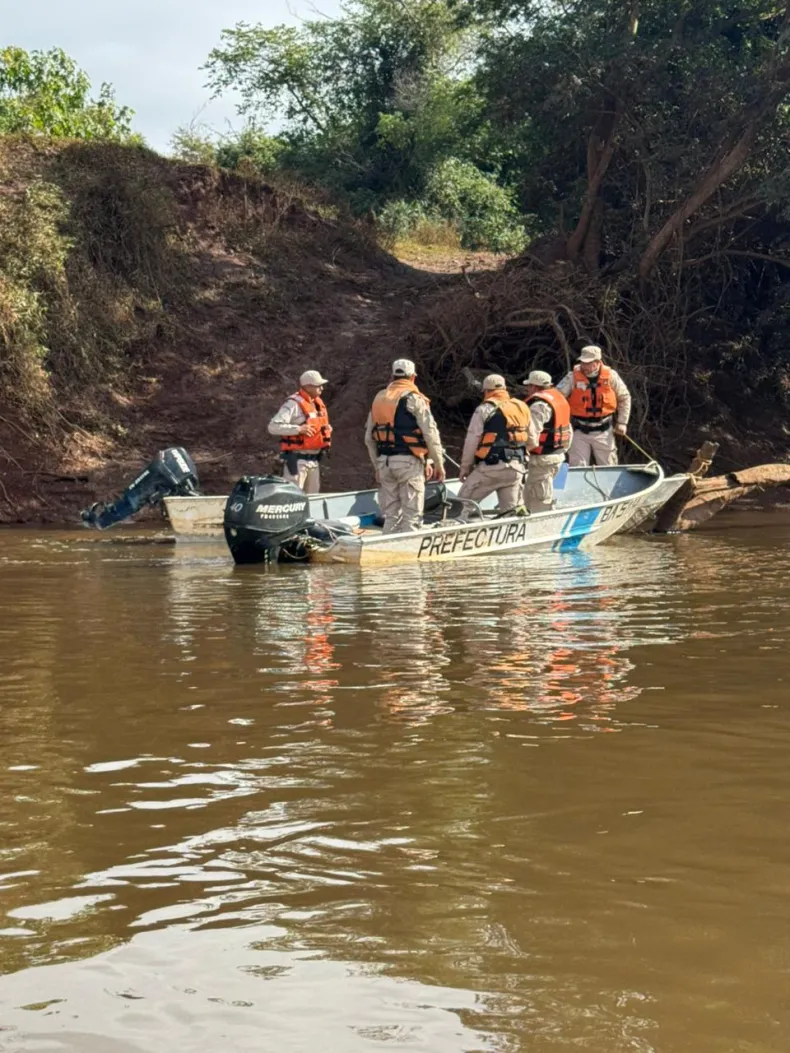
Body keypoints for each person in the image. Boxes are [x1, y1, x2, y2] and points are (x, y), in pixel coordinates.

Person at [364, 359, 445, 533]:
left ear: (392, 376)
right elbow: (430, 434)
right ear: (413, 378)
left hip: (385, 463)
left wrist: (377, 465)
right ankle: (408, 557)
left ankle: (387, 553)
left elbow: (368, 439)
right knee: (412, 516)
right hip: (409, 463)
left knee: (391, 516)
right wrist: (437, 463)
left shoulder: (379, 398)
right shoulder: (415, 399)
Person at [457, 374, 531, 514]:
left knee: (461, 506)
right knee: (510, 513)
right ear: (504, 389)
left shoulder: (484, 409)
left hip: (491, 469)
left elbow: (471, 441)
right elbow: (532, 440)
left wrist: (465, 468)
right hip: (516, 470)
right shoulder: (522, 407)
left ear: (486, 391)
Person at [556, 345, 631, 466]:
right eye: (582, 362)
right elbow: (557, 397)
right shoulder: (572, 376)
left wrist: (622, 422)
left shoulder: (611, 376)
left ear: (597, 362)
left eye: (587, 363)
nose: (583, 366)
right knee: (577, 466)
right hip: (579, 430)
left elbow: (624, 398)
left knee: (608, 465)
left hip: (604, 431)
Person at [267, 370, 332, 493]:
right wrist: (298, 429)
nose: (321, 388)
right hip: (297, 461)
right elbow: (273, 426)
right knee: (293, 499)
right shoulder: (293, 404)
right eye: (318, 385)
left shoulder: (317, 404)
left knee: (313, 500)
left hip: (314, 461)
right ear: (307, 387)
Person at [522, 370, 572, 512]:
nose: (528, 389)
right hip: (557, 455)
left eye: (529, 386)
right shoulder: (558, 399)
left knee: (539, 496)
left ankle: (540, 522)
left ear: (534, 387)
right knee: (535, 491)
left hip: (542, 459)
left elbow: (532, 434)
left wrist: (524, 452)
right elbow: (569, 430)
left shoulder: (538, 406)